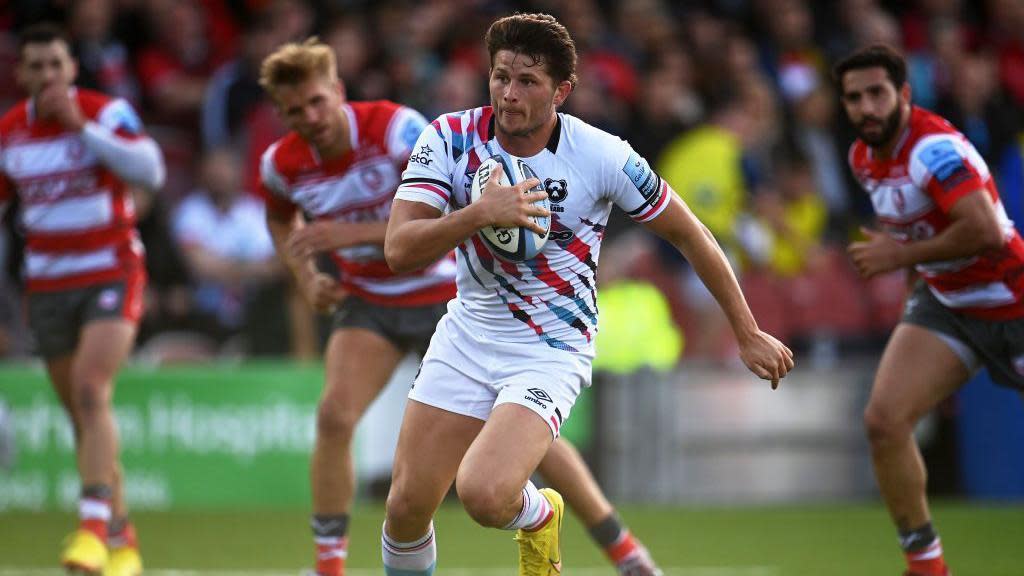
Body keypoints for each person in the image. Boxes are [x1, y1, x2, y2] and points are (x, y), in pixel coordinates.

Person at [383, 13, 793, 576]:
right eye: (500, 76)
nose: (509, 93)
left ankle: (538, 513)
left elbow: (688, 230)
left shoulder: (602, 155)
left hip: (549, 348)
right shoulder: (450, 138)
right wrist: (480, 214)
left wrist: (746, 331)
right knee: (405, 508)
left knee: (482, 494)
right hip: (467, 334)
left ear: (562, 90)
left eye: (527, 81)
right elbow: (399, 249)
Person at [257, 38, 666, 576]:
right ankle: (329, 564)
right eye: (293, 111)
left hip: (442, 294)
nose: (309, 118)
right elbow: (283, 221)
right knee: (337, 419)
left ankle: (622, 548)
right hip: (371, 300)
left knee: (524, 445)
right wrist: (306, 277)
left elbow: (437, 212)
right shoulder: (280, 164)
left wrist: (346, 232)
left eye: (316, 102)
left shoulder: (396, 128)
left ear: (337, 92)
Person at [836, 44, 1024, 576]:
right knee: (884, 421)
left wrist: (899, 257)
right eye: (854, 98)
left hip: (1011, 300)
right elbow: (920, 233)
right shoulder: (863, 159)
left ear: (904, 94)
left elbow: (985, 229)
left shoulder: (933, 149)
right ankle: (926, 566)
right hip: (946, 303)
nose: (866, 107)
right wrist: (911, 297)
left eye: (877, 93)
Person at [0, 23, 165, 576]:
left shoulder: (104, 111)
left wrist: (83, 129)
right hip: (46, 285)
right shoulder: (10, 134)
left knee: (93, 391)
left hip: (111, 272)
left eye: (56, 64)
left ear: (71, 68)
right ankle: (124, 541)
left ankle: (92, 528)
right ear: (20, 73)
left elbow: (151, 170)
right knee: (84, 415)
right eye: (36, 66)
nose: (47, 75)